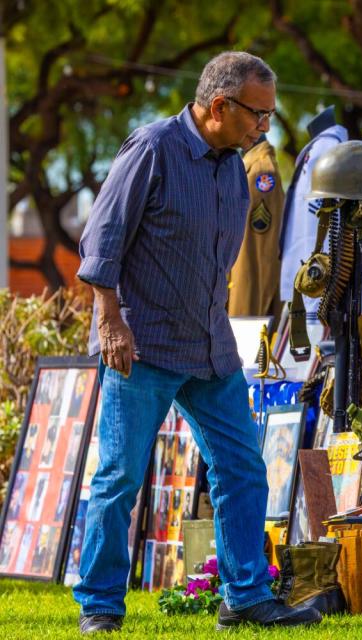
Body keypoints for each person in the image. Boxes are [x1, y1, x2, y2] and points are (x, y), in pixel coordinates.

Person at [73, 51, 322, 634]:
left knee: (242, 470)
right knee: (119, 479)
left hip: (211, 350)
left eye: (270, 115)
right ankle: (101, 606)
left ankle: (245, 598)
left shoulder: (233, 169)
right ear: (219, 106)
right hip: (142, 346)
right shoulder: (152, 150)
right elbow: (101, 240)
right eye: (259, 116)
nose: (265, 127)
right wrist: (110, 321)